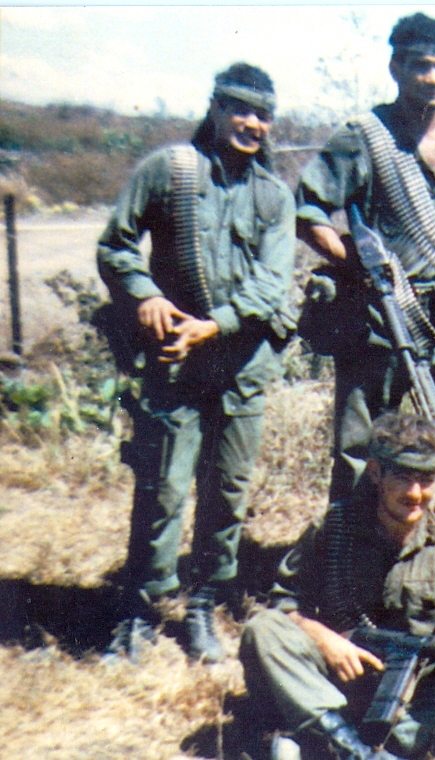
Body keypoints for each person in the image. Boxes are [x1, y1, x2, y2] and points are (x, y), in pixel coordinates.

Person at [295, 12, 435, 546]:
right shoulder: (362, 137)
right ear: (396, 66)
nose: (433, 78)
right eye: (421, 66)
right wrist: (353, 261)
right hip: (378, 314)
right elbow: (309, 211)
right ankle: (350, 549)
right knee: (361, 447)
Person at [97, 63, 297, 662]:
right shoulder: (169, 171)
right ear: (214, 107)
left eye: (262, 114)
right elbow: (116, 244)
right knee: (162, 489)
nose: (251, 124)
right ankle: (139, 613)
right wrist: (147, 296)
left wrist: (215, 324)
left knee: (226, 493)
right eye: (239, 109)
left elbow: (271, 282)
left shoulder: (273, 195)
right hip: (172, 364)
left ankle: (203, 606)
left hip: (239, 365)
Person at [240, 412, 435, 760]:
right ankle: (349, 746)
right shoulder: (336, 525)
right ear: (375, 473)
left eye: (427, 479)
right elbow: (285, 605)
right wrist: (327, 640)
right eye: (403, 477)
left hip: (415, 686)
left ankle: (362, 747)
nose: (416, 493)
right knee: (262, 630)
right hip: (340, 677)